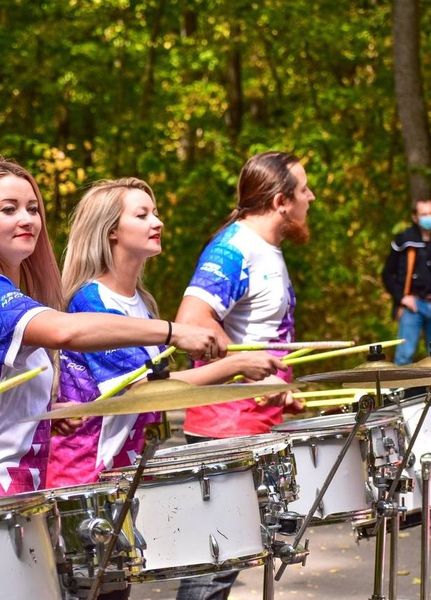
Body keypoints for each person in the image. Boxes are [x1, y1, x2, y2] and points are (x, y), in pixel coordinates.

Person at [0, 158, 226, 509]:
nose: (27, 219)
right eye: (8, 209)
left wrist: (46, 413)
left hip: (8, 493)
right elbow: (65, 331)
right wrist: (172, 332)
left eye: (33, 208)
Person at [47, 178, 285, 488]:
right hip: (86, 476)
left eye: (155, 213)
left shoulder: (142, 302)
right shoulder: (92, 301)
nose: (157, 222)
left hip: (125, 471)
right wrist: (236, 365)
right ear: (111, 231)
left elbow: (158, 387)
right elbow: (140, 393)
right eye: (142, 215)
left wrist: (238, 374)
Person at [173, 151, 315, 600]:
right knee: (213, 568)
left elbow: (259, 336)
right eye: (304, 189)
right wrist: (253, 377)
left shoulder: (265, 249)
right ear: (280, 201)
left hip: (252, 421)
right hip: (224, 428)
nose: (311, 197)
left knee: (232, 563)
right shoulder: (234, 248)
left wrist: (278, 389)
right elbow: (193, 321)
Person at [382, 198, 431, 365]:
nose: (429, 217)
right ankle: (401, 390)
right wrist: (402, 298)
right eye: (424, 214)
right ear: (415, 217)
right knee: (404, 356)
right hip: (413, 305)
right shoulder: (405, 239)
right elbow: (387, 274)